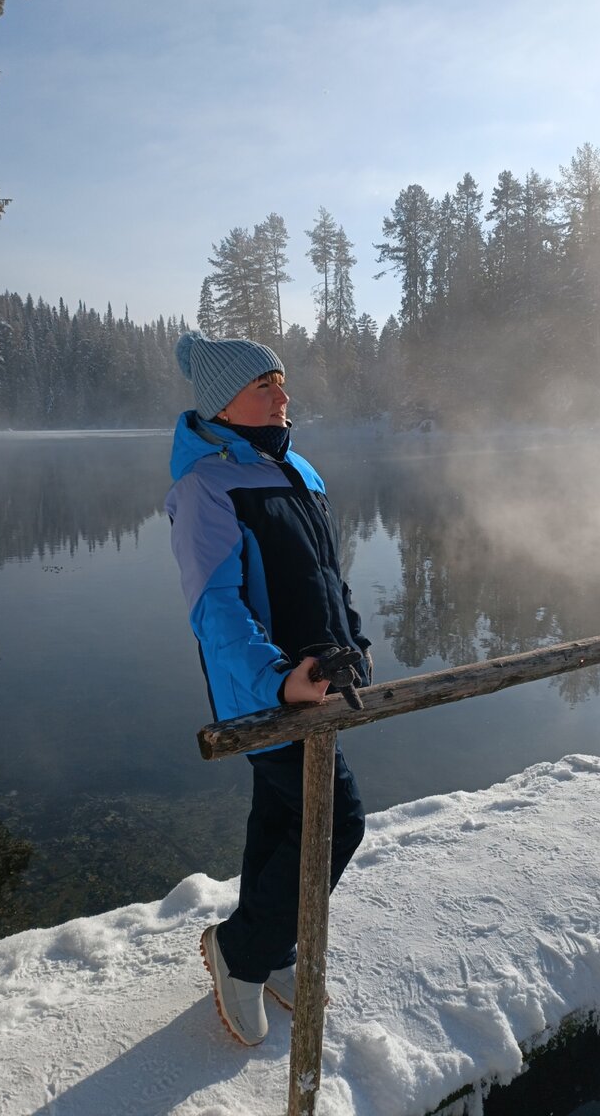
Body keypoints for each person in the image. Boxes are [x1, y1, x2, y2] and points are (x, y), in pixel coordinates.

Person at [165, 330, 370, 1047]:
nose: (284, 393)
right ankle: (241, 956)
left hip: (317, 686)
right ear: (225, 401)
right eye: (266, 385)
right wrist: (279, 681)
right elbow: (214, 607)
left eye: (282, 380)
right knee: (339, 821)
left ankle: (273, 947)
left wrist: (352, 644)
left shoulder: (299, 472)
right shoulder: (205, 487)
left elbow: (325, 577)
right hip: (265, 696)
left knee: (283, 821)